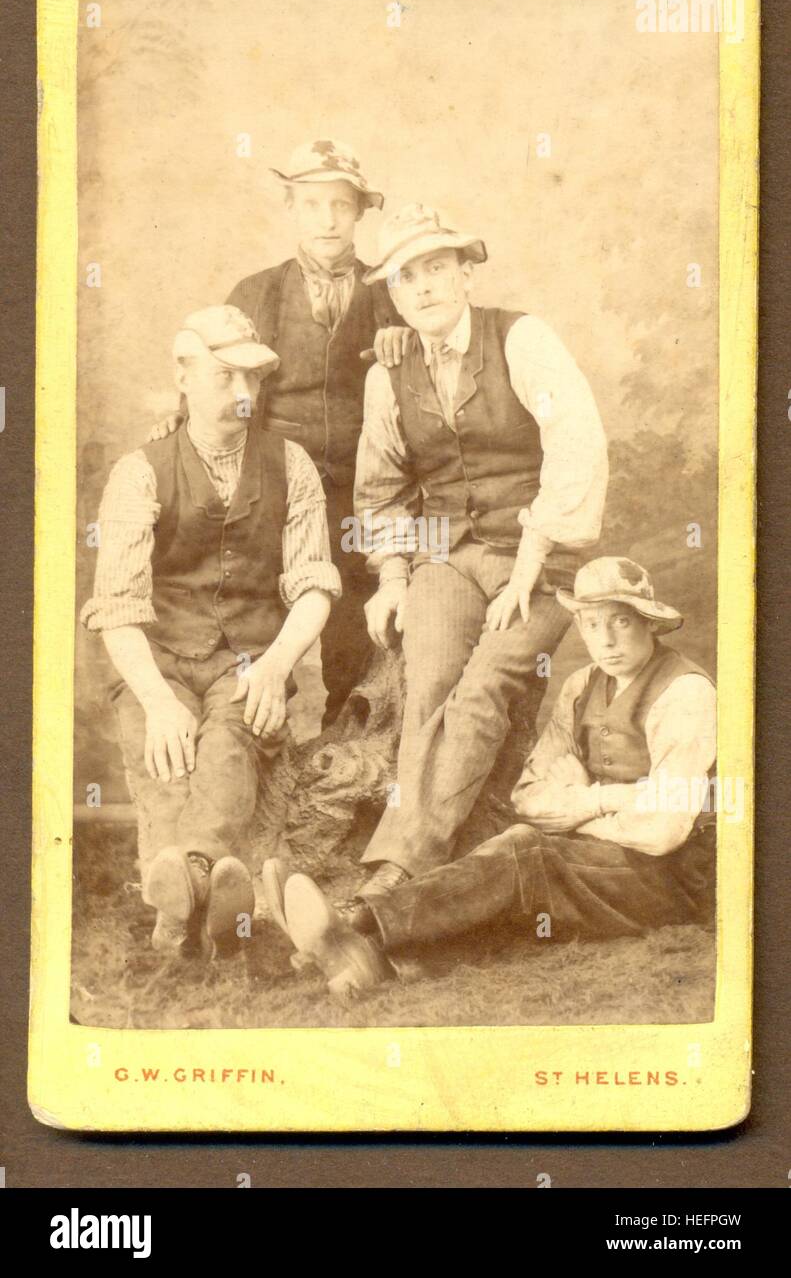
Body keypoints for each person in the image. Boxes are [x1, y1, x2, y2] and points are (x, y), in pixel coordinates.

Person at [264, 557, 717, 1000]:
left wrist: (584, 799)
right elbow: (529, 797)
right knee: (508, 882)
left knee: (526, 851)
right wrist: (622, 799)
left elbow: (662, 830)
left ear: (649, 623)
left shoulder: (685, 693)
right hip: (595, 862)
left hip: (668, 882)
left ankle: (356, 923)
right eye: (593, 624)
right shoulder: (581, 686)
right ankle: (374, 959)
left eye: (621, 621)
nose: (607, 639)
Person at [350, 202, 609, 899]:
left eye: (436, 268)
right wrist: (393, 577)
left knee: (482, 687)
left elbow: (577, 444)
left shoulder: (521, 339)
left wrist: (529, 563)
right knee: (426, 688)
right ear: (393, 293)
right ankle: (414, 862)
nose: (423, 287)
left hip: (539, 557)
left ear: (466, 273)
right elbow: (380, 488)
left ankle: (397, 870)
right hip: (445, 554)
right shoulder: (387, 375)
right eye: (406, 278)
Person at [81, 305, 341, 956]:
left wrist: (277, 665)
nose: (243, 393)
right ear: (183, 377)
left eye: (252, 378)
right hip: (157, 659)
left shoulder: (290, 464)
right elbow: (117, 607)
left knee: (228, 744)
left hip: (248, 659)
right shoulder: (140, 471)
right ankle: (204, 889)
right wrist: (158, 700)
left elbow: (314, 583)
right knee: (165, 755)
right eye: (225, 377)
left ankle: (184, 890)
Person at [151, 139, 411, 727]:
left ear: (359, 212)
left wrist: (407, 342)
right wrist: (181, 416)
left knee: (354, 616)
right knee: (259, 607)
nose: (327, 219)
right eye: (312, 204)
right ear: (291, 207)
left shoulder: (394, 290)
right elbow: (217, 367)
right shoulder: (257, 291)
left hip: (361, 485)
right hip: (274, 481)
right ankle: (258, 739)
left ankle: (345, 745)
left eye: (340, 205)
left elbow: (425, 385)